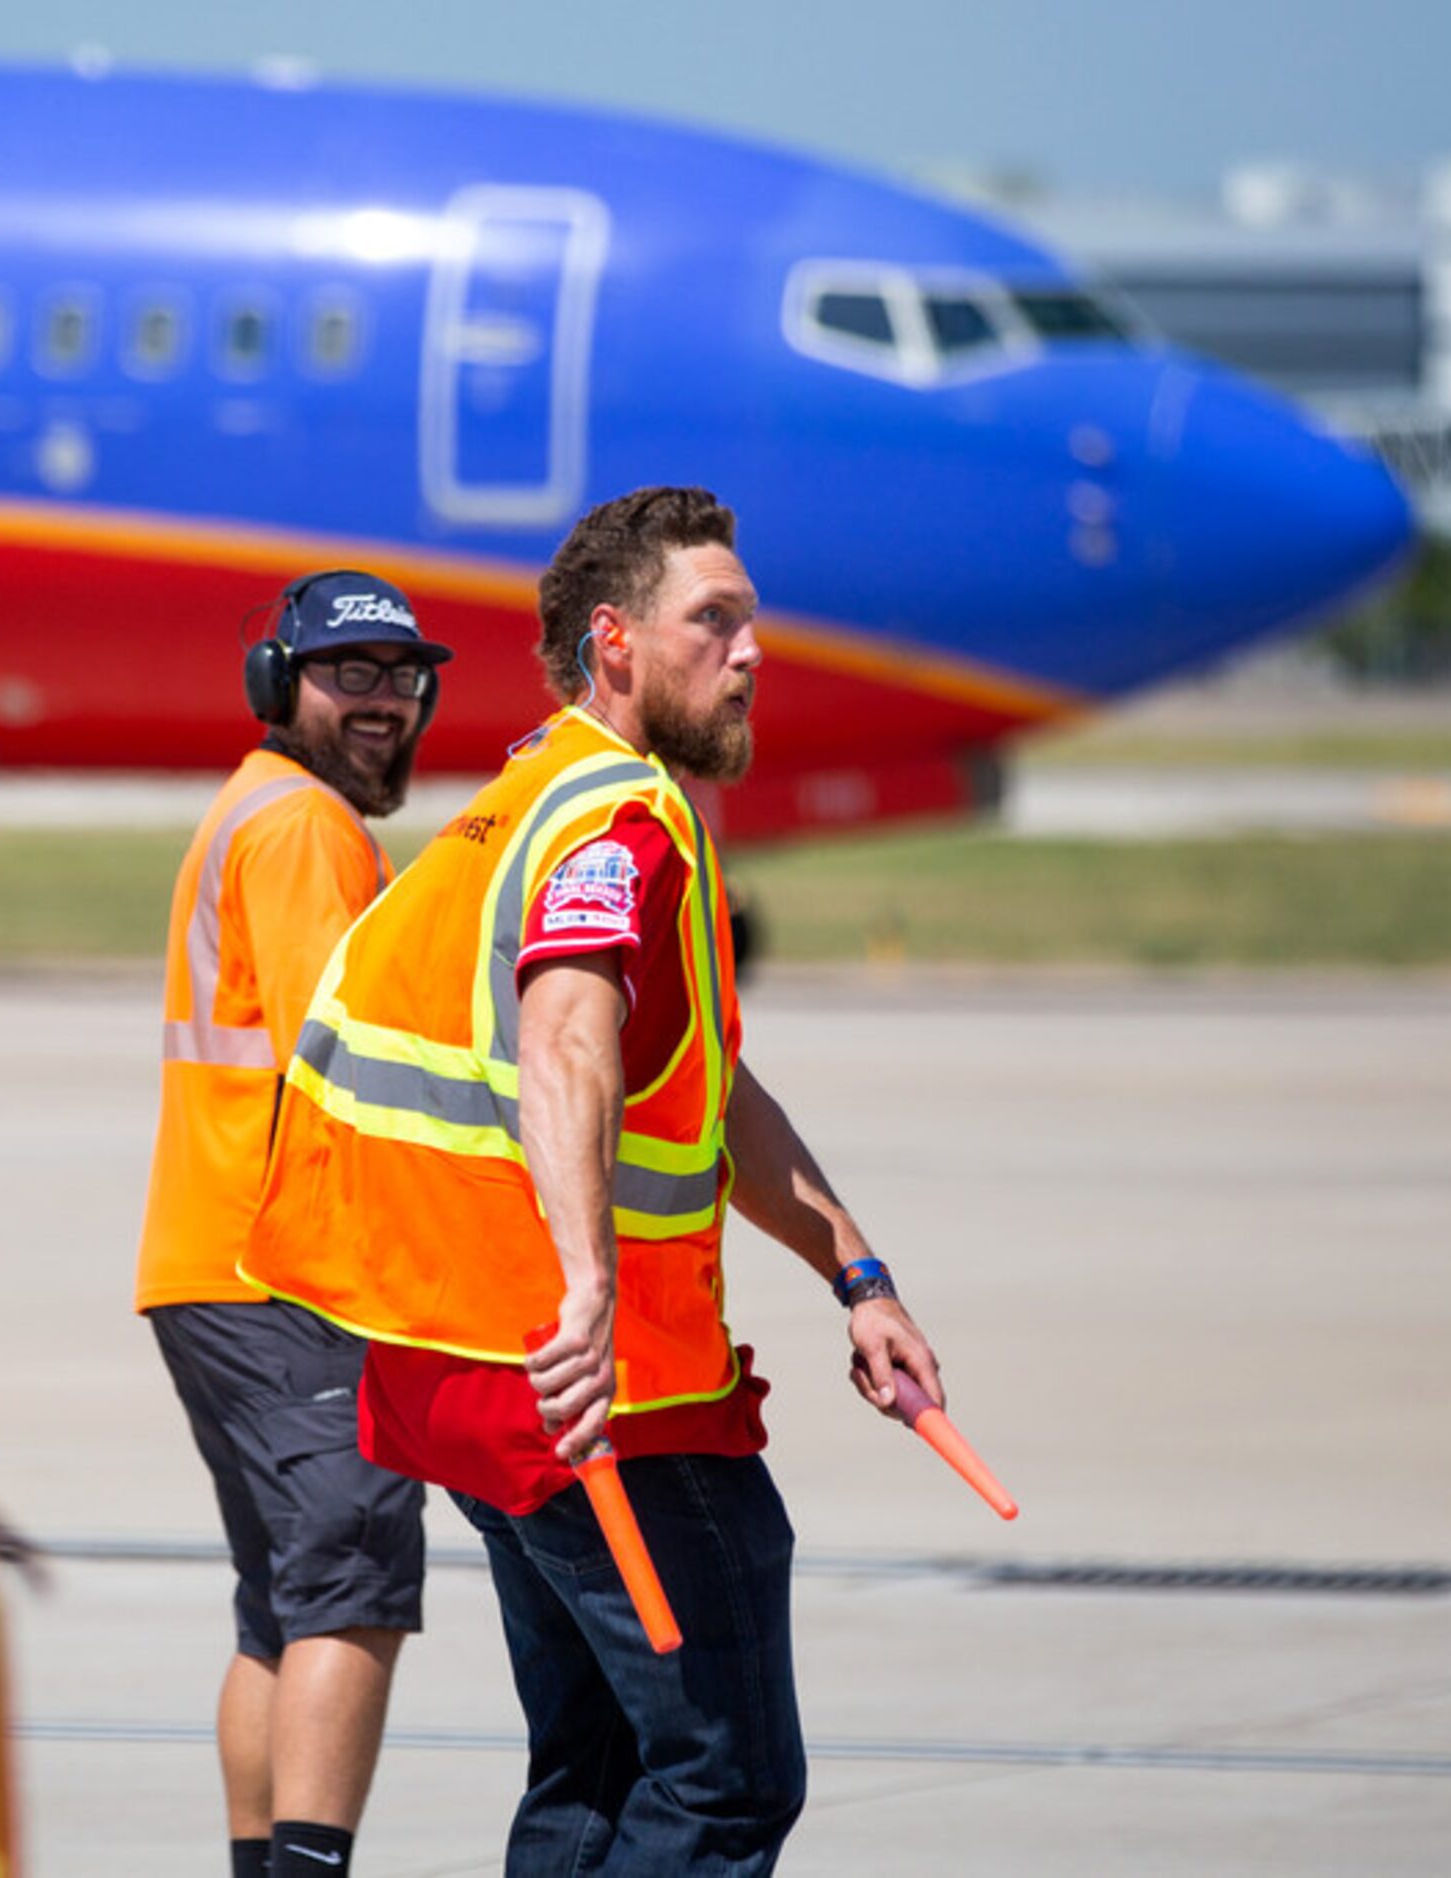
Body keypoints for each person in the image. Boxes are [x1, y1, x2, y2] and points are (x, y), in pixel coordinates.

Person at [244, 488, 944, 1875]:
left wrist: (855, 1273)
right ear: (616, 644)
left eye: (752, 622)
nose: (751, 653)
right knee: (727, 1776)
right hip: (606, 1394)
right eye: (715, 622)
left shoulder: (522, 797)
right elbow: (569, 1030)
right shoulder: (615, 822)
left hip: (483, 1376)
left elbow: (705, 1094)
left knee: (600, 1766)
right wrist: (590, 1288)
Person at [136, 569, 454, 1878]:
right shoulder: (305, 828)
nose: (381, 701)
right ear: (281, 684)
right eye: (349, 674)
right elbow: (352, 1062)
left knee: (280, 1609)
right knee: (353, 1591)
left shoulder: (257, 809)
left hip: (210, 1263)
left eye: (401, 676)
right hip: (287, 1275)